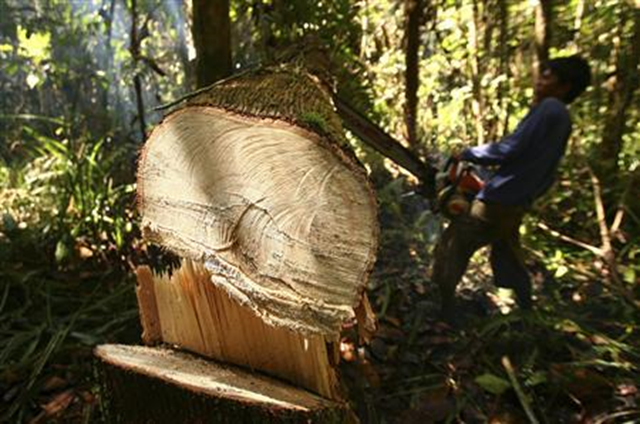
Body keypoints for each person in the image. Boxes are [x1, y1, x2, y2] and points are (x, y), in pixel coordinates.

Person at [431, 55, 591, 321]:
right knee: (507, 251)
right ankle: (527, 312)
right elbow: (542, 166)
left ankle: (442, 309)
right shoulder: (562, 118)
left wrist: (468, 153)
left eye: (548, 76)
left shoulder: (550, 107)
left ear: (565, 86)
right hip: (516, 203)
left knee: (454, 244)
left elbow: (510, 148)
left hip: (497, 201)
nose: (539, 80)